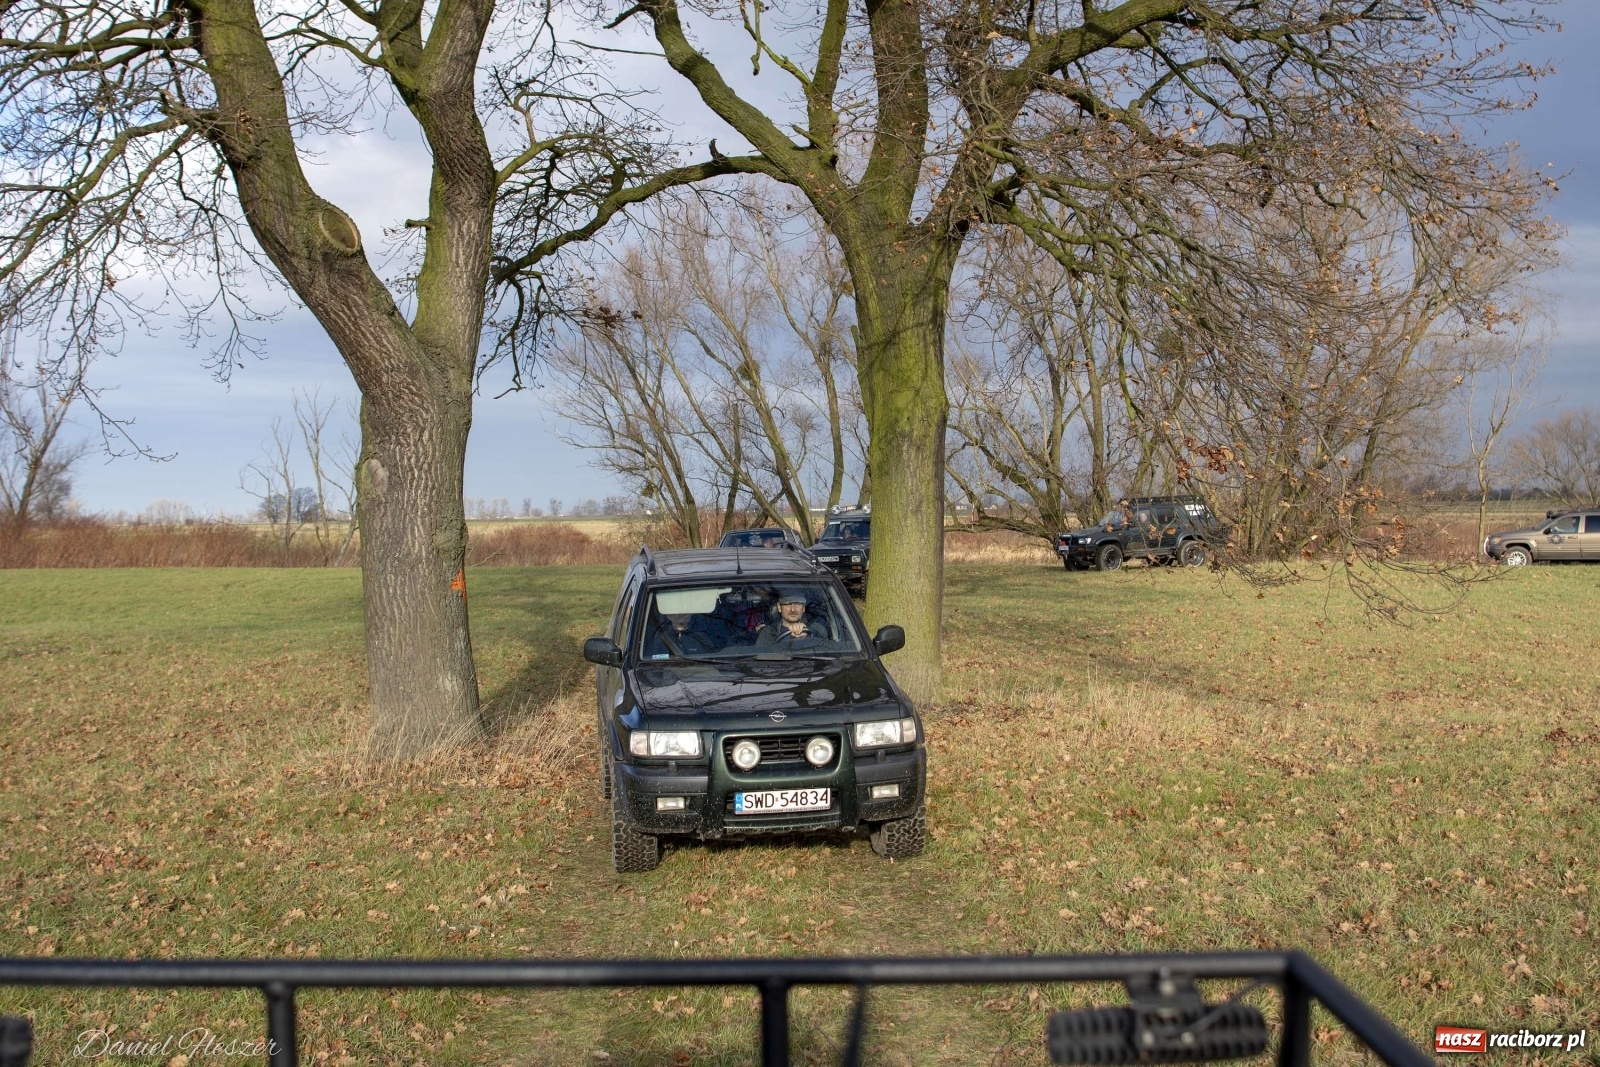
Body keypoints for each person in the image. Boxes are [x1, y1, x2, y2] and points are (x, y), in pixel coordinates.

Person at [755, 593, 831, 649]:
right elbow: (760, 660)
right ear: (779, 607)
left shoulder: (817, 629)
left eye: (797, 604)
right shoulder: (768, 633)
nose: (793, 609)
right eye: (787, 604)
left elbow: (828, 651)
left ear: (803, 608)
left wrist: (809, 638)